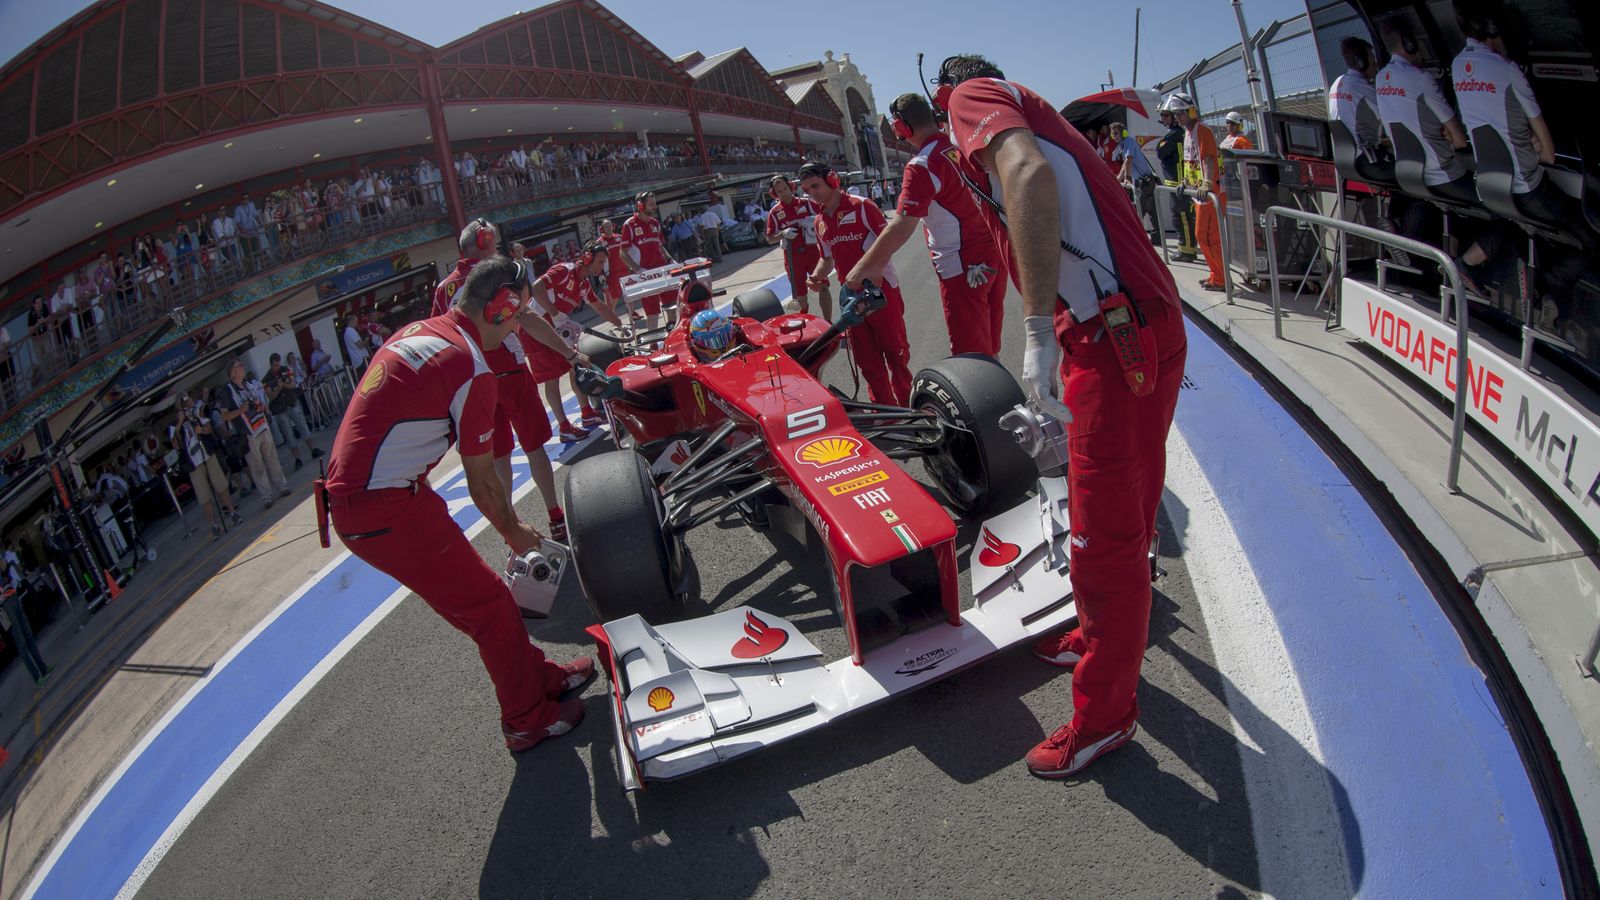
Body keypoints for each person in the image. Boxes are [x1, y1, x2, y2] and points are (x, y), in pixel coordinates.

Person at [938, 54, 1186, 778]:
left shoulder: (972, 96)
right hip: (1133, 326)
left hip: (1110, 335)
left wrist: (1038, 327)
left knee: (1101, 536)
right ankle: (1105, 629)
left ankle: (1105, 717)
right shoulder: (1032, 107)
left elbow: (1027, 176)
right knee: (1124, 512)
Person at [324, 255, 594, 752]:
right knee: (491, 606)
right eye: (517, 317)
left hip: (386, 497)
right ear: (498, 310)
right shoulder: (472, 366)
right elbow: (484, 481)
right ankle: (525, 720)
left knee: (483, 602)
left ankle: (537, 677)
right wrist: (515, 532)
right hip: (380, 507)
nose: (520, 329)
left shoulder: (429, 329)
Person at [430, 219, 572, 538]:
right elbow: (528, 317)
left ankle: (511, 524)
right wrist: (569, 352)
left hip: (472, 379)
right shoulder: (502, 273)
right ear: (486, 241)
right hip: (510, 371)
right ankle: (554, 514)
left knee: (498, 455)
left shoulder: (444, 289)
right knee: (534, 446)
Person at [846, 92, 1008, 357]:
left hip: (961, 265)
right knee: (990, 343)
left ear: (901, 127)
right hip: (993, 254)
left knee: (970, 354)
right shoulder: (964, 145)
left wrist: (864, 267)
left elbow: (901, 225)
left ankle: (987, 396)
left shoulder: (923, 164)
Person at [1376, 18, 1506, 291]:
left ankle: (1404, 238)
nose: (1422, 52)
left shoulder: (1380, 79)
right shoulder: (1420, 78)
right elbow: (1459, 140)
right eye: (1419, 46)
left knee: (1431, 202)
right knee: (1503, 211)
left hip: (1410, 175)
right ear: (1410, 44)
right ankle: (1467, 266)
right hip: (1441, 176)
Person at [798, 162, 913, 406]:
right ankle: (885, 411)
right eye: (807, 190)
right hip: (851, 299)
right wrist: (817, 277)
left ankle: (907, 403)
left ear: (832, 180)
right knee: (867, 359)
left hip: (881, 292)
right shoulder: (819, 221)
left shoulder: (862, 207)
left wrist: (874, 268)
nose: (812, 193)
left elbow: (890, 241)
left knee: (896, 352)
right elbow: (826, 259)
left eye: (815, 186)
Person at [526, 239, 626, 447]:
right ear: (587, 258)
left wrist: (620, 324)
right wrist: (555, 314)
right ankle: (564, 428)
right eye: (599, 262)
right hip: (534, 330)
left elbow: (597, 305)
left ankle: (587, 413)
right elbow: (536, 288)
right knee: (551, 379)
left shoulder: (583, 284)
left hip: (557, 330)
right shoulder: (563, 270)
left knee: (576, 366)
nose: (601, 267)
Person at [218, 358, 291, 510]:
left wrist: (262, 407)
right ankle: (267, 496)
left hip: (262, 426)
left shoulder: (248, 385)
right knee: (257, 466)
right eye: (240, 366)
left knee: (272, 458)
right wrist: (240, 411)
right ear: (233, 372)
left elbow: (258, 402)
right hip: (248, 434)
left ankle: (282, 486)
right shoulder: (227, 391)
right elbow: (224, 416)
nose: (243, 368)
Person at [1172, 92, 1227, 292]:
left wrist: (1207, 183)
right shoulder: (1188, 133)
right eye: (1176, 113)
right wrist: (1185, 181)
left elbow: (1208, 159)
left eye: (1181, 113)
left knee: (1208, 237)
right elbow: (1190, 161)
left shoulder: (1201, 130)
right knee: (1204, 237)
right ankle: (1216, 275)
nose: (1178, 117)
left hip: (1211, 194)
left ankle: (1221, 279)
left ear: (1191, 111)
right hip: (1199, 195)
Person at [764, 175, 833, 320]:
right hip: (792, 257)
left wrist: (814, 222)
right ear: (775, 194)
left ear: (791, 187)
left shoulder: (806, 204)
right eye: (779, 191)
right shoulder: (775, 212)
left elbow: (825, 216)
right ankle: (806, 324)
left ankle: (828, 322)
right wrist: (782, 234)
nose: (783, 193)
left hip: (812, 252)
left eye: (785, 189)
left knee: (823, 286)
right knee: (801, 298)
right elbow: (769, 238)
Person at [620, 191, 674, 328]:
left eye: (654, 203)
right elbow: (622, 253)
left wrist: (670, 260)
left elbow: (660, 246)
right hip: (646, 274)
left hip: (662, 271)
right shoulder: (629, 225)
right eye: (651, 204)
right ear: (640, 205)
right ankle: (653, 344)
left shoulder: (655, 223)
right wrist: (638, 270)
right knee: (652, 313)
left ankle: (672, 339)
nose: (654, 207)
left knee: (672, 307)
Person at [1155, 99, 1198, 263]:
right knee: (1179, 216)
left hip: (1179, 184)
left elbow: (1160, 151)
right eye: (1162, 115)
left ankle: (1188, 250)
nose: (1163, 118)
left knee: (1182, 217)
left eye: (1166, 115)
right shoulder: (1176, 134)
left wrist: (1160, 145)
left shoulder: (1174, 135)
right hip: (1176, 184)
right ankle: (1185, 247)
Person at [263, 353, 321, 471]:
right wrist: (278, 388)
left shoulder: (285, 369)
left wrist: (284, 384)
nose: (277, 367)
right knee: (288, 434)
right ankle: (297, 458)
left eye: (278, 364)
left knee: (302, 426)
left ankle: (313, 449)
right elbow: (270, 396)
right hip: (280, 409)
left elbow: (293, 383)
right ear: (271, 364)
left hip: (291, 402)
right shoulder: (266, 379)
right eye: (275, 365)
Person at [1112, 122, 1162, 247]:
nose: (1114, 136)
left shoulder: (1128, 142)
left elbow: (1128, 161)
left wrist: (1126, 178)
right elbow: (1125, 164)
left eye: (1116, 133)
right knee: (1152, 211)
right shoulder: (1123, 145)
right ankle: (1156, 239)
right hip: (1147, 180)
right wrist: (1118, 179)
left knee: (1138, 212)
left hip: (1144, 182)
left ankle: (1135, 240)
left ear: (1123, 132)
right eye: (1113, 134)